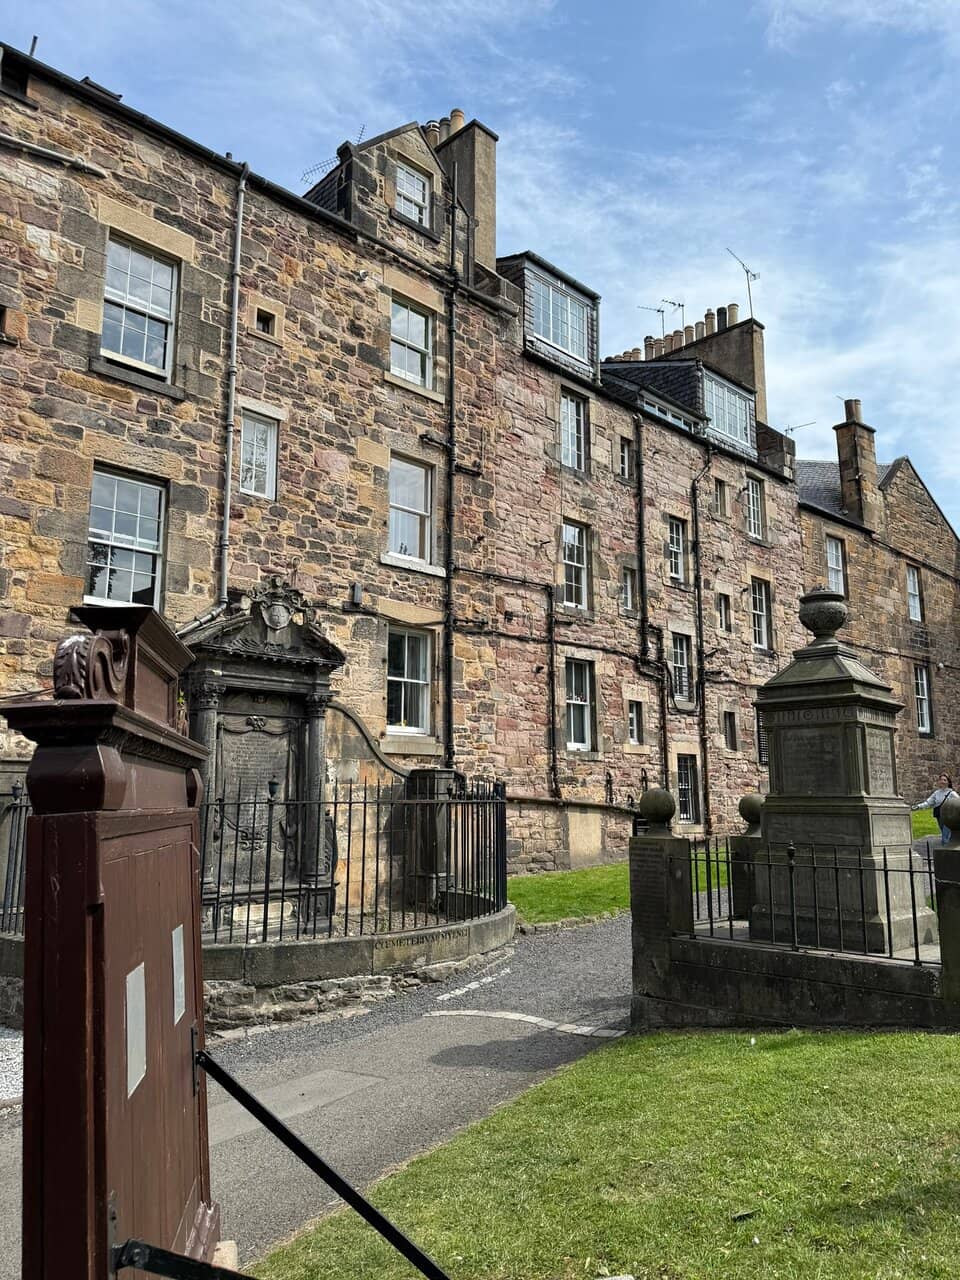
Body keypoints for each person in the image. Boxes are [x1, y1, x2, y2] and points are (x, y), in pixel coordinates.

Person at [912, 773, 957, 844]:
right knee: (945, 834)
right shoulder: (936, 793)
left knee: (945, 837)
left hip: (948, 817)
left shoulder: (952, 793)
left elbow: (958, 803)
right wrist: (918, 806)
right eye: (941, 780)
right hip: (939, 816)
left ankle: (946, 848)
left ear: (948, 782)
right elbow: (928, 803)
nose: (942, 781)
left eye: (944, 780)